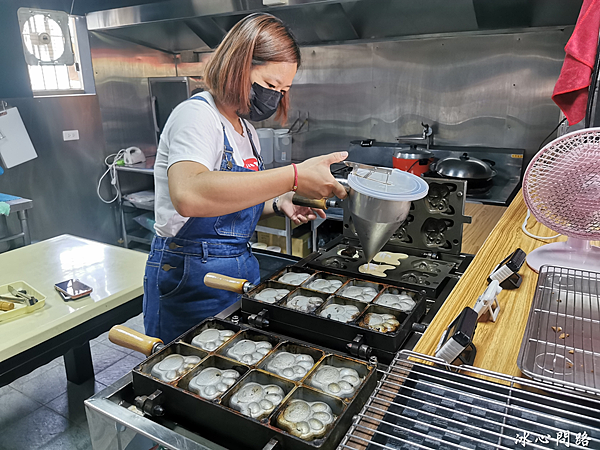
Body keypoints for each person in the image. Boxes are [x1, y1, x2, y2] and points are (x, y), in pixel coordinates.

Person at [144, 13, 348, 342]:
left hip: (238, 266)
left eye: (283, 90)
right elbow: (189, 195)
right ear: (238, 66)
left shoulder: (247, 131)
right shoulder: (196, 116)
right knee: (183, 372)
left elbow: (232, 203)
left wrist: (279, 202)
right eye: (269, 85)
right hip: (191, 273)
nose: (275, 97)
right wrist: (293, 176)